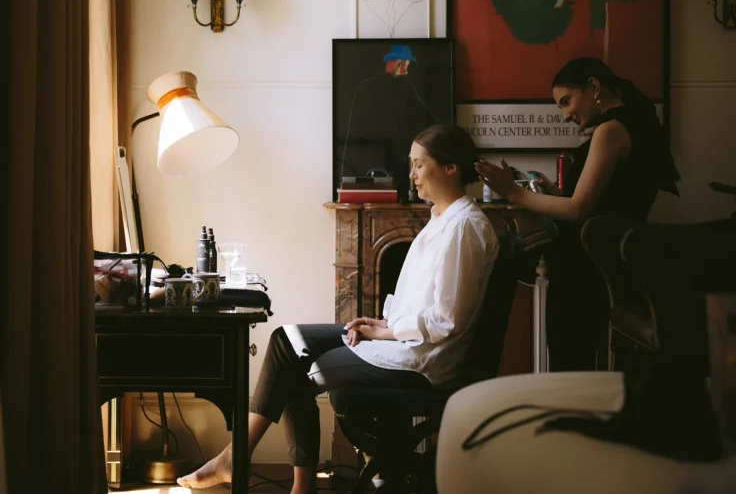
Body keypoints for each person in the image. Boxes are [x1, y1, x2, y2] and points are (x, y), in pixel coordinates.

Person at [178, 124, 500, 494]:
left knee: (292, 363)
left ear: (450, 168)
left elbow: (446, 319)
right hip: (402, 339)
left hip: (423, 360)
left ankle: (254, 466)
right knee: (287, 341)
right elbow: (426, 304)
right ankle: (263, 470)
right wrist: (381, 322)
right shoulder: (441, 220)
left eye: (418, 165)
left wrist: (382, 332)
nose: (411, 175)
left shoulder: (464, 227)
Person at [475, 57, 680, 372]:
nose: (565, 113)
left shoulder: (610, 131)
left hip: (586, 269)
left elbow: (577, 209)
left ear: (594, 87)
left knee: (569, 360)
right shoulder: (634, 124)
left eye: (566, 101)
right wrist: (554, 195)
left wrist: (515, 192)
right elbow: (607, 205)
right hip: (610, 261)